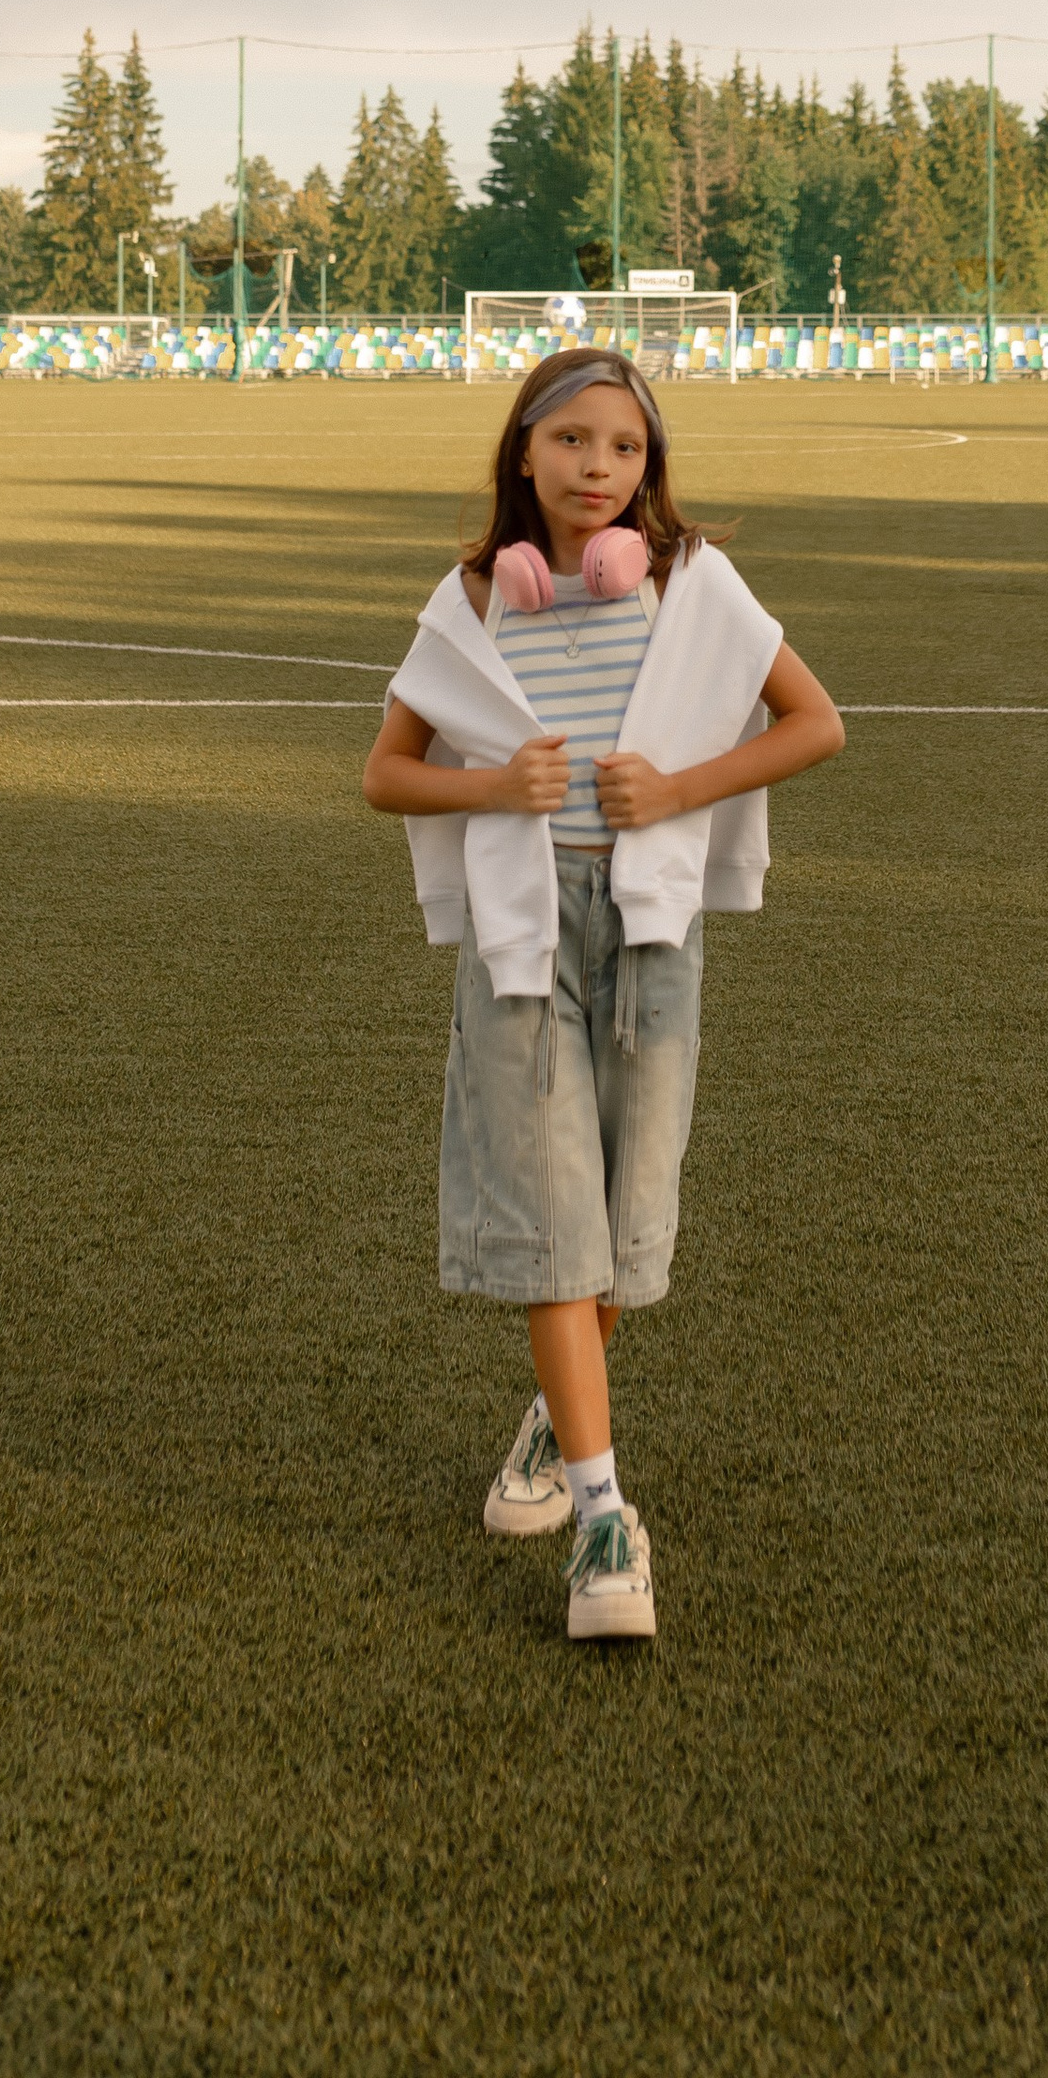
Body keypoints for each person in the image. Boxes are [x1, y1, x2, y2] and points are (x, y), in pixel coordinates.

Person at [363, 345, 845, 1643]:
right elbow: (386, 773)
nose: (598, 469)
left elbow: (816, 723)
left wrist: (679, 789)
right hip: (523, 937)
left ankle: (549, 1425)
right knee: (556, 1215)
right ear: (523, 454)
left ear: (650, 469)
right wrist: (492, 787)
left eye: (625, 448)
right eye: (572, 441)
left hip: (648, 934)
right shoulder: (478, 598)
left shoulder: (688, 585)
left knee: (626, 1229)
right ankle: (601, 1516)